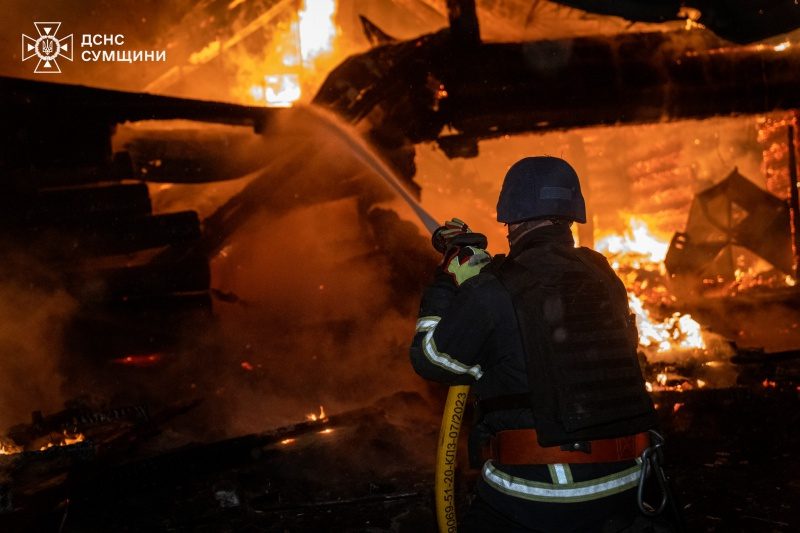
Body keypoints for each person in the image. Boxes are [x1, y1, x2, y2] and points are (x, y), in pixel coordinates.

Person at [410, 156, 660, 532]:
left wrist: (448, 283)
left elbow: (430, 359)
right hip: (631, 485)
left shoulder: (492, 291)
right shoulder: (603, 276)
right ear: (572, 215)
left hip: (540, 495)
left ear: (510, 219)